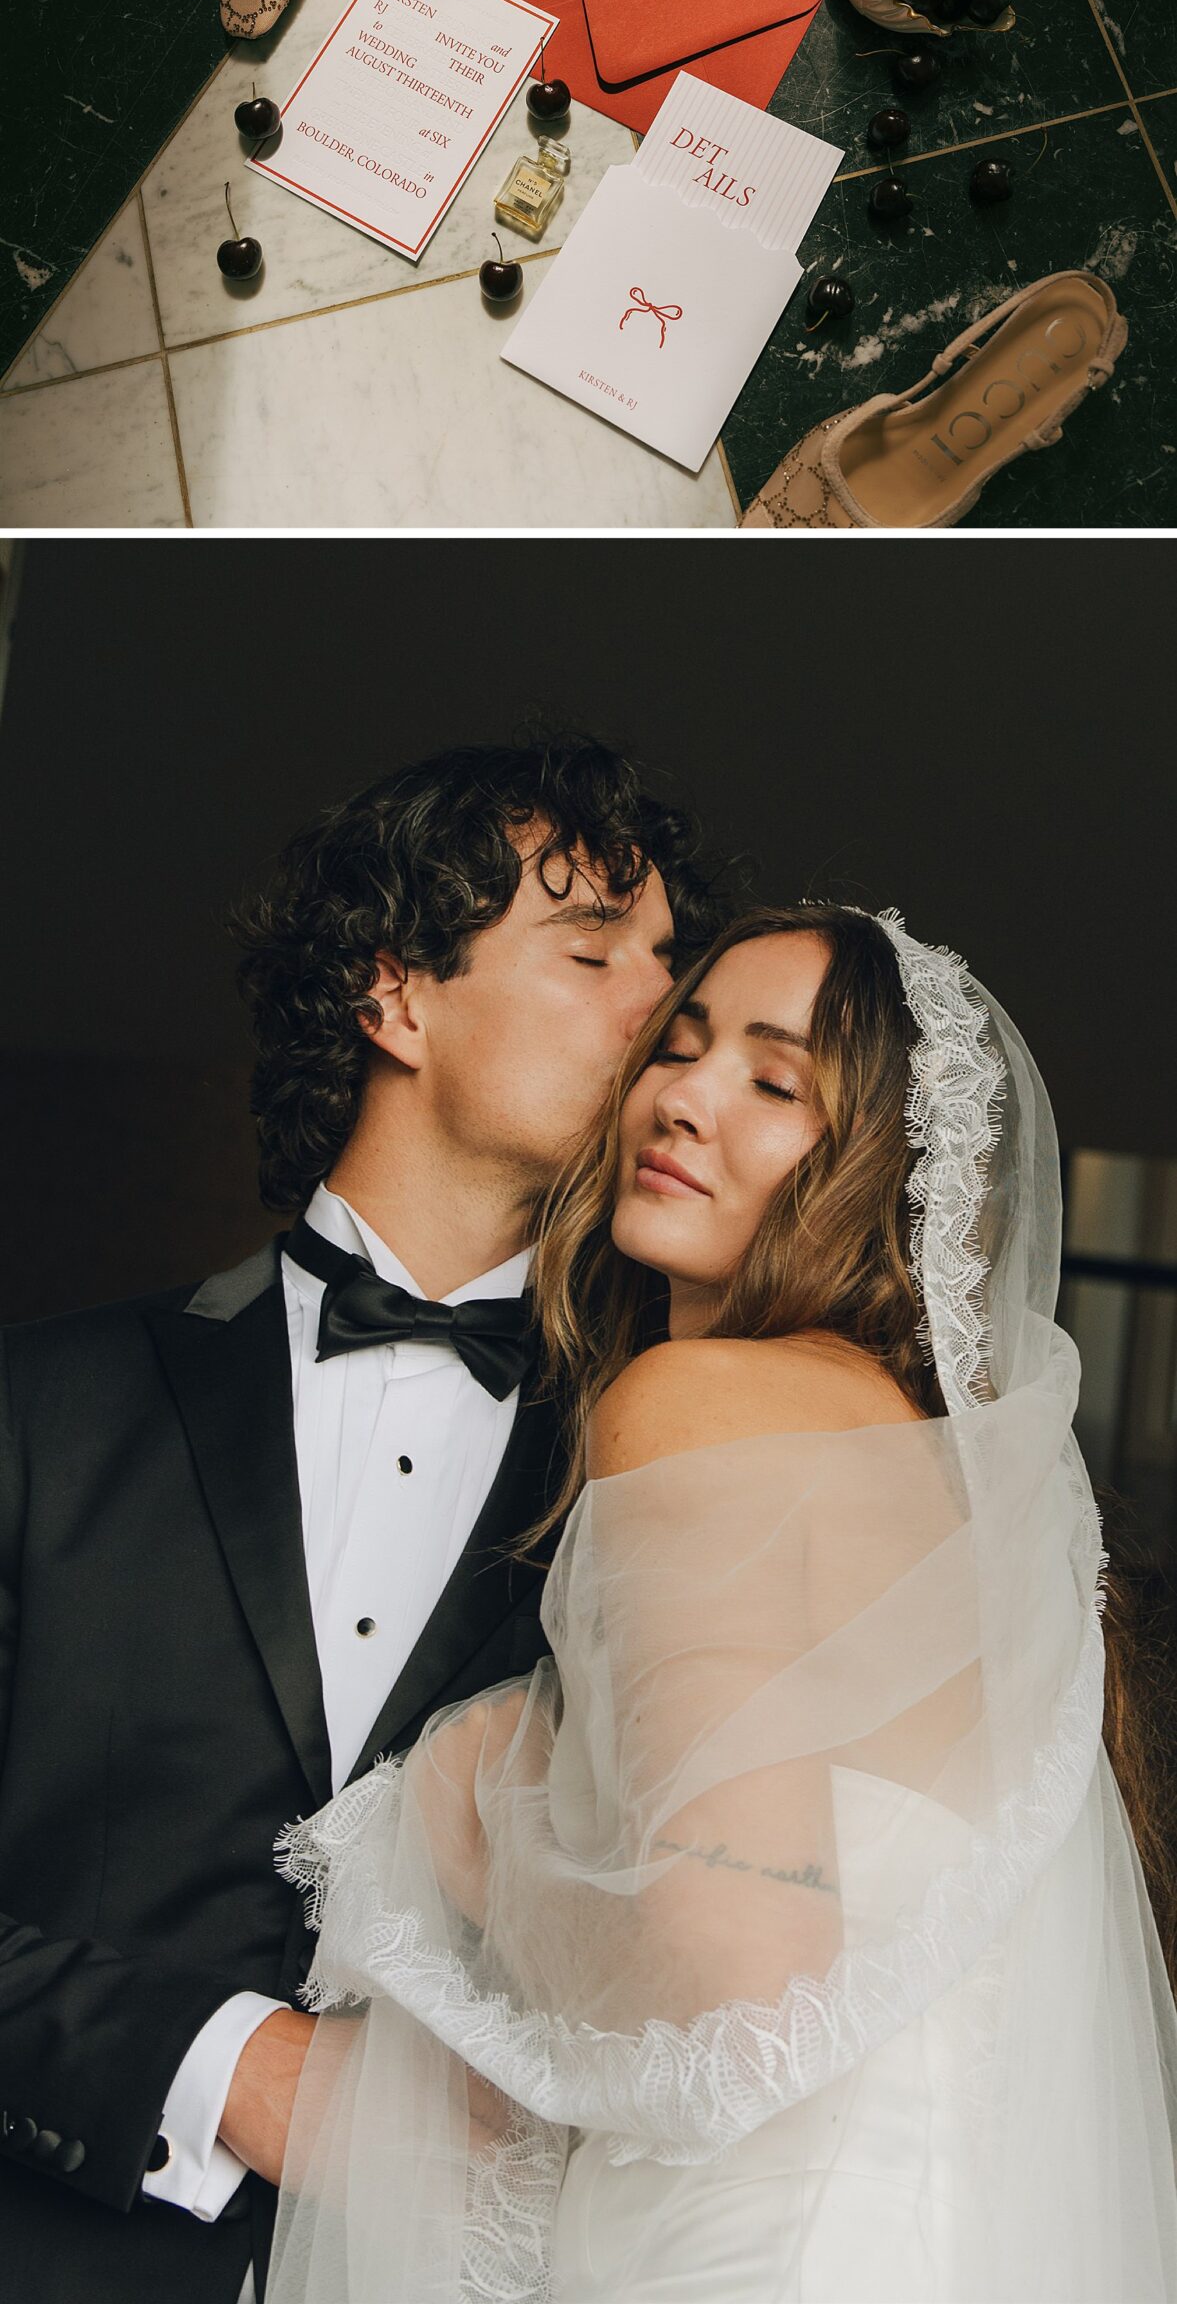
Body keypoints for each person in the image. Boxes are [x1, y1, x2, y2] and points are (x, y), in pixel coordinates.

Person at [268, 905, 1177, 2304]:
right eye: (673, 1050)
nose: (682, 1099)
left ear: (886, 1168)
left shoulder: (706, 1405)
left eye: (773, 1084)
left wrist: (468, 1838)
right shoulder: (928, 1475)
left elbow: (736, 1987)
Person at [0, 736, 723, 2304]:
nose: (656, 1016)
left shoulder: (661, 1475)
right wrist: (226, 2068)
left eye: (668, 970)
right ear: (394, 997)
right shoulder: (41, 1409)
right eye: (592, 949)